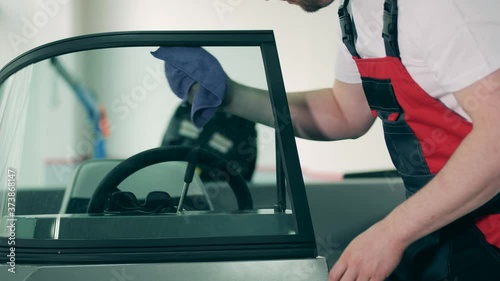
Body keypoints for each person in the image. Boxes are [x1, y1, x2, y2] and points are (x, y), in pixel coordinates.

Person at [181, 0, 500, 280]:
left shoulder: (439, 6)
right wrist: (229, 95)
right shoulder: (357, 12)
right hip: (443, 231)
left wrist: (391, 235)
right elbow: (344, 112)